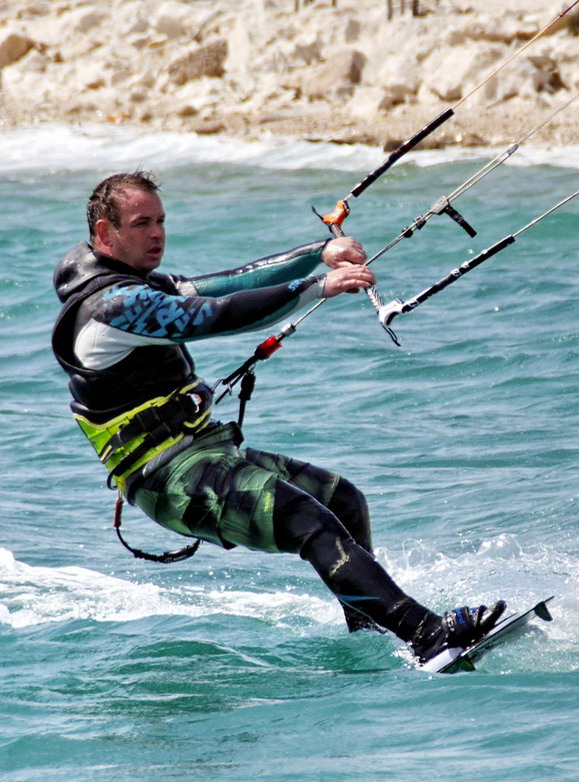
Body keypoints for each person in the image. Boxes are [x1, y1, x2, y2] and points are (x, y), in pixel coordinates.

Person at [52, 170, 504, 662]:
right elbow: (214, 313)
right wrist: (319, 287)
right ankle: (427, 633)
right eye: (142, 224)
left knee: (342, 499)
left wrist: (317, 252)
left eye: (161, 220)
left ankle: (370, 639)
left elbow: (223, 283)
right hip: (169, 478)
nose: (157, 233)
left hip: (203, 454)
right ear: (104, 233)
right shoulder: (113, 306)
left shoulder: (137, 285)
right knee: (309, 521)